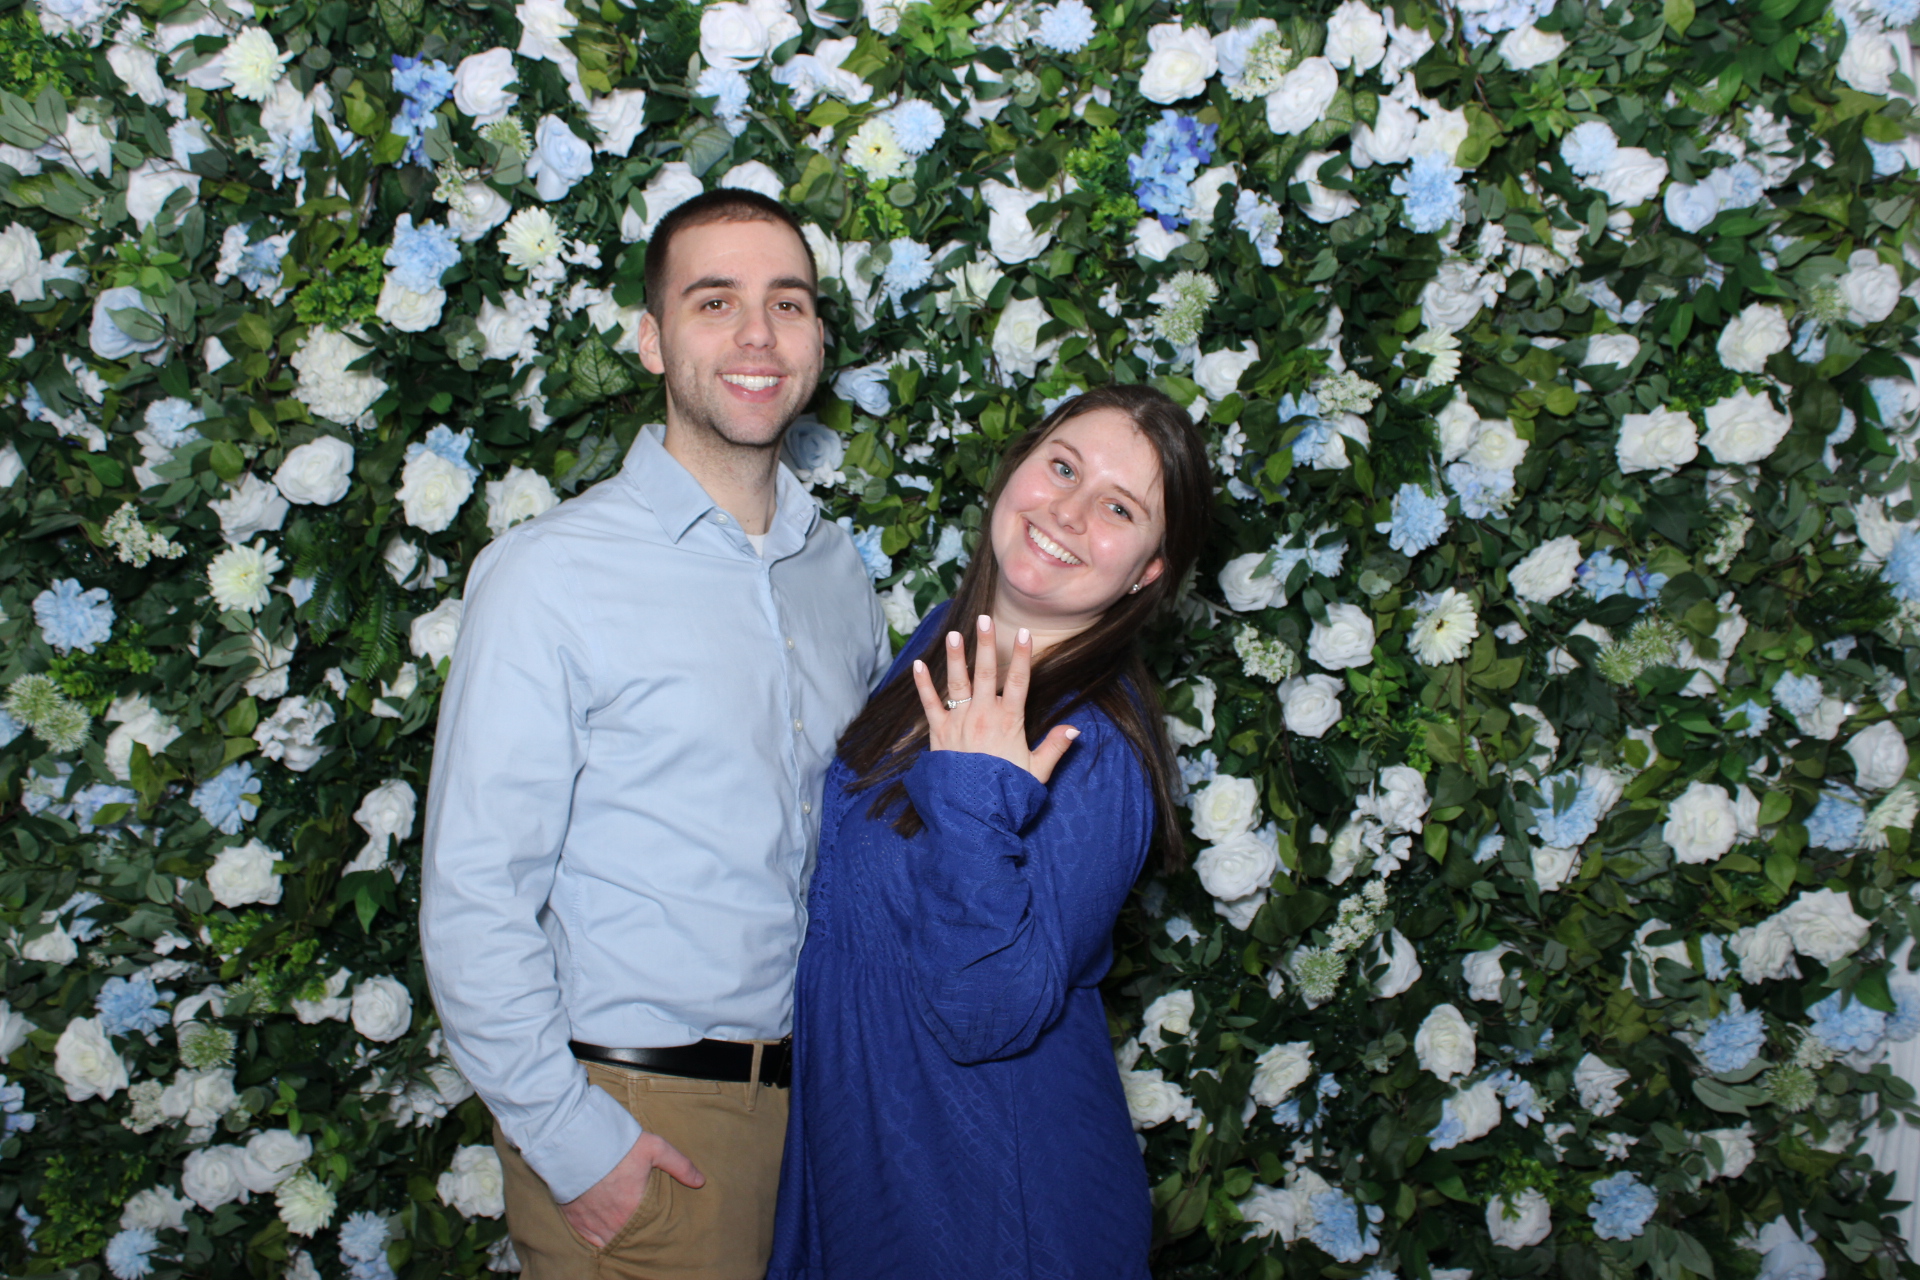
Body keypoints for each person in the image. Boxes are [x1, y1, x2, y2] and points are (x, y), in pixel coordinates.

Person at [420, 188, 889, 1280]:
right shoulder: (551, 574)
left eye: (789, 302)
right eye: (714, 301)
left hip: (817, 1117)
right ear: (651, 339)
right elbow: (476, 891)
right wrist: (578, 1143)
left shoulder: (839, 575)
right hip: (640, 1118)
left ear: (819, 338)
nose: (758, 336)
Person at [768, 385, 1212, 1279]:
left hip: (990, 1208)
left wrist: (973, 792)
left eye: (1119, 509)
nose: (1070, 512)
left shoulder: (1097, 747)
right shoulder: (947, 644)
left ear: (1147, 573)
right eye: (1062, 467)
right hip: (866, 1165)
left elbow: (985, 1013)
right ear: (1019, 466)